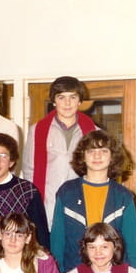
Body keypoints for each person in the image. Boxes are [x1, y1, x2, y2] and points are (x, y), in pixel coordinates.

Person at [50, 130, 136, 273]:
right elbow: (57, 243)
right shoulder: (66, 192)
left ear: (112, 156)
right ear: (83, 156)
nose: (97, 156)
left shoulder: (123, 197)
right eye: (91, 151)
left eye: (103, 151)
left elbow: (134, 247)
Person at [21, 76, 97, 227]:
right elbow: (29, 171)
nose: (67, 103)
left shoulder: (94, 132)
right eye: (61, 97)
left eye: (72, 97)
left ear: (80, 101)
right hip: (48, 207)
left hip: (83, 207)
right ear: (54, 101)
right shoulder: (37, 131)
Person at [0, 133, 49, 264]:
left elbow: (41, 235)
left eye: (3, 156)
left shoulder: (27, 191)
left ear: (11, 162)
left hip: (24, 262)